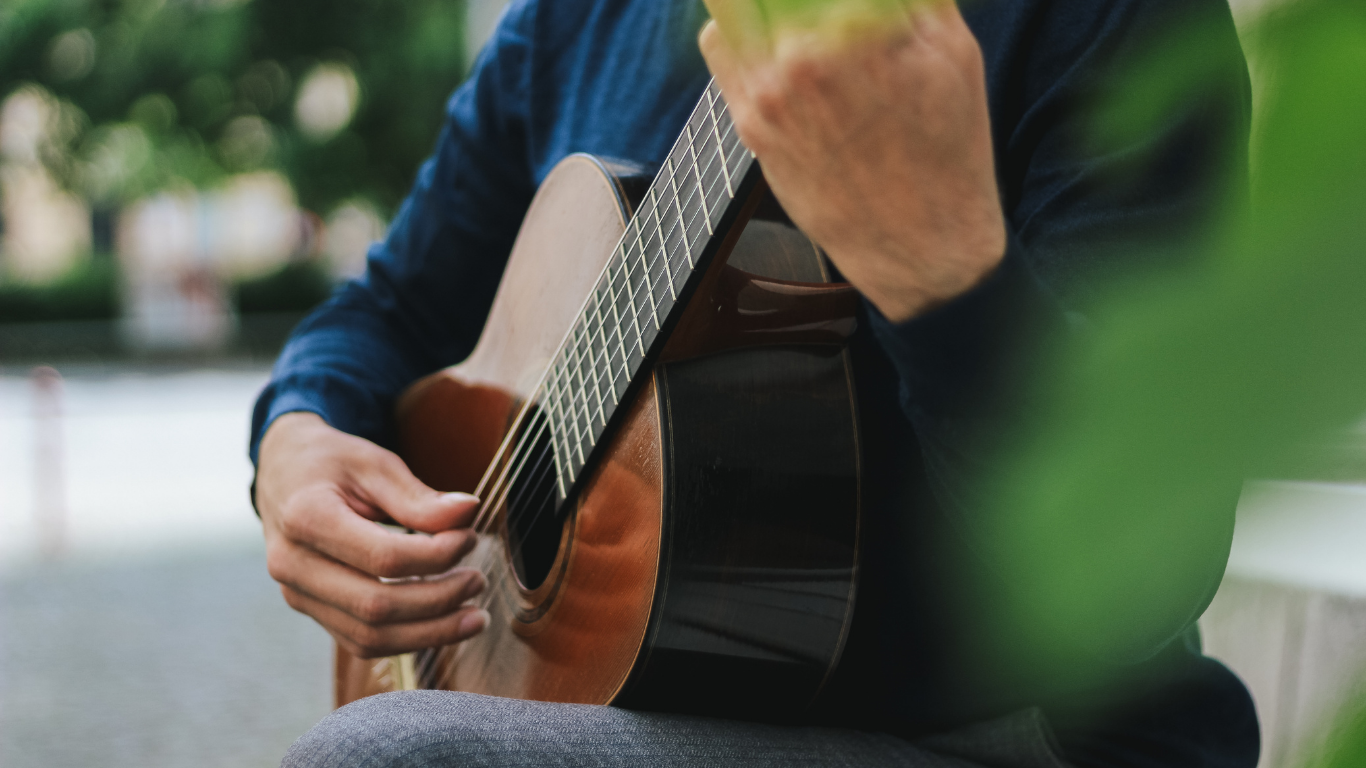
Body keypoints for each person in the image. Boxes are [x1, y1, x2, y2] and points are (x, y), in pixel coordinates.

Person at [250, 0, 1258, 766]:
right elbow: (379, 316)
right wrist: (295, 442)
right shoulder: (577, 21)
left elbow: (1143, 582)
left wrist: (941, 277)